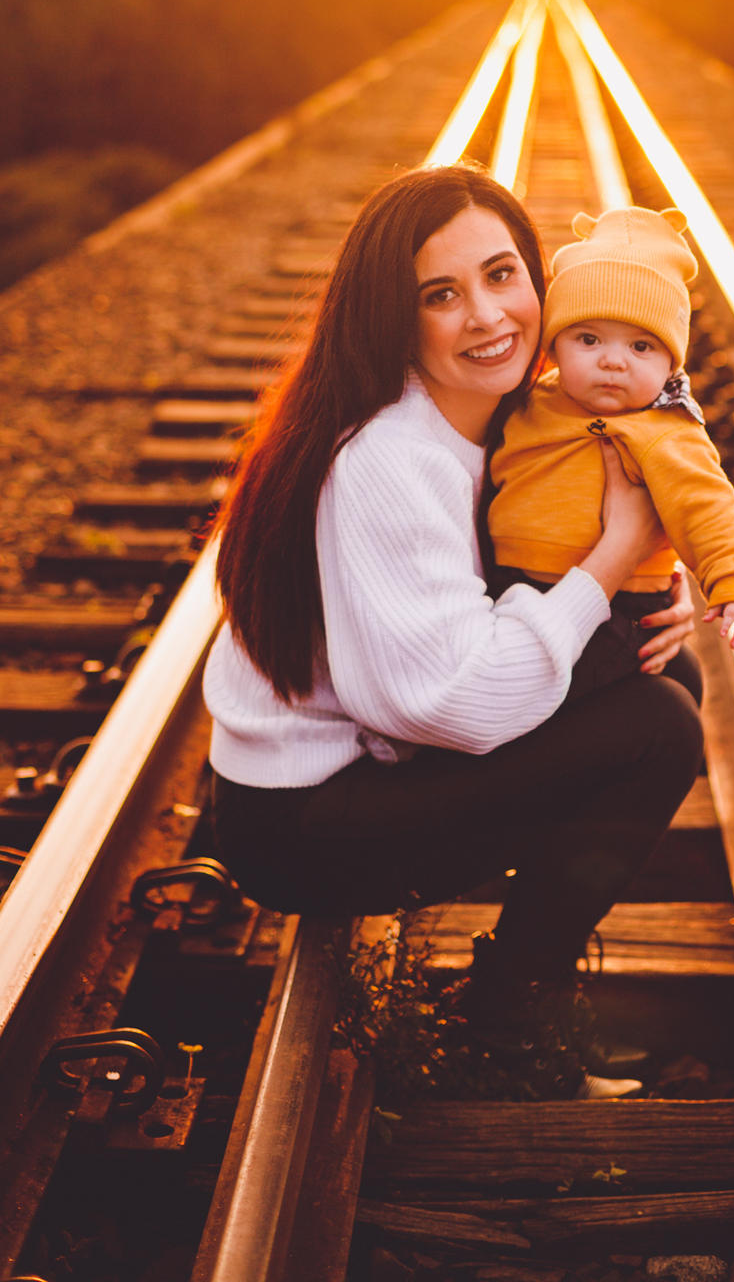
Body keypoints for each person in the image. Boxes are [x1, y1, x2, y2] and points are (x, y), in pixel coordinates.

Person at [203, 163, 703, 1098]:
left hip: (372, 758)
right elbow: (458, 706)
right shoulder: (385, 458)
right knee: (661, 726)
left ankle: (518, 1001)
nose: (488, 317)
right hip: (309, 822)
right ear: (397, 318)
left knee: (664, 677)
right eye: (443, 295)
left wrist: (645, 590)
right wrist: (610, 563)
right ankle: (512, 1032)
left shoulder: (500, 416)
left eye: (503, 275)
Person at [487, 205, 734, 698]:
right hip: (515, 587)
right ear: (554, 345)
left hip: (619, 606)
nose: (613, 361)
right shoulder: (527, 402)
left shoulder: (664, 428)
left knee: (647, 691)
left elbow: (707, 505)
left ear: (669, 362)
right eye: (588, 339)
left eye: (641, 347)